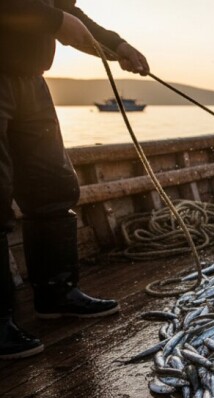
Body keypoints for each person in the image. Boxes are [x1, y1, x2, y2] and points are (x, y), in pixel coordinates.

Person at [1, 0, 150, 359]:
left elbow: (67, 12)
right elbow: (58, 17)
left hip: (30, 79)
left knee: (53, 187)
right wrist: (53, 19)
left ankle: (57, 293)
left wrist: (116, 45)